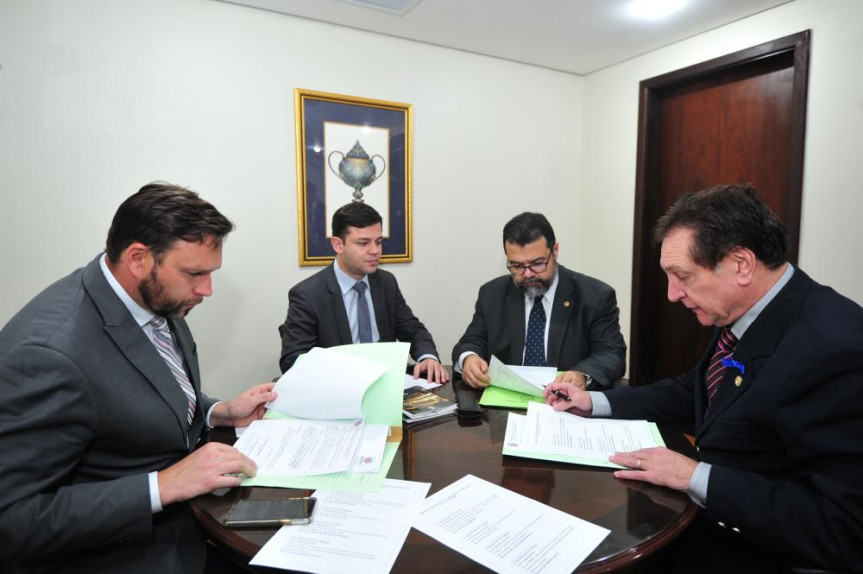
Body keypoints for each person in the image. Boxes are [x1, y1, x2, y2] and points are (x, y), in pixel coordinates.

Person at [545, 185, 863, 572]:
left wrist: (696, 477)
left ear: (741, 264)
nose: (672, 294)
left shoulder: (833, 351)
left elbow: (843, 528)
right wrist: (594, 402)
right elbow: (695, 392)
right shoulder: (746, 312)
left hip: (754, 549)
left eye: (682, 276)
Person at [0, 183, 276, 574]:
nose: (207, 289)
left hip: (195, 520)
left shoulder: (150, 298)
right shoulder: (48, 355)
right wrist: (162, 485)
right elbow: (12, 519)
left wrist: (217, 411)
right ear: (138, 258)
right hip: (125, 553)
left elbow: (140, 389)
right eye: (194, 273)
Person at [452, 212, 626, 390]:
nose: (528, 274)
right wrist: (469, 358)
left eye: (537, 263)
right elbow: (471, 341)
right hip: (506, 399)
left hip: (566, 401)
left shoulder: (595, 296)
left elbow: (612, 354)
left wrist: (581, 375)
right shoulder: (492, 294)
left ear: (555, 251)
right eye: (517, 266)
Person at [279, 202, 449, 383]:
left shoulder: (386, 283)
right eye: (364, 243)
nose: (375, 251)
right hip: (337, 386)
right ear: (338, 244)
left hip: (385, 383)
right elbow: (293, 360)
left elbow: (413, 330)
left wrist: (427, 357)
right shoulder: (308, 294)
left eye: (378, 242)